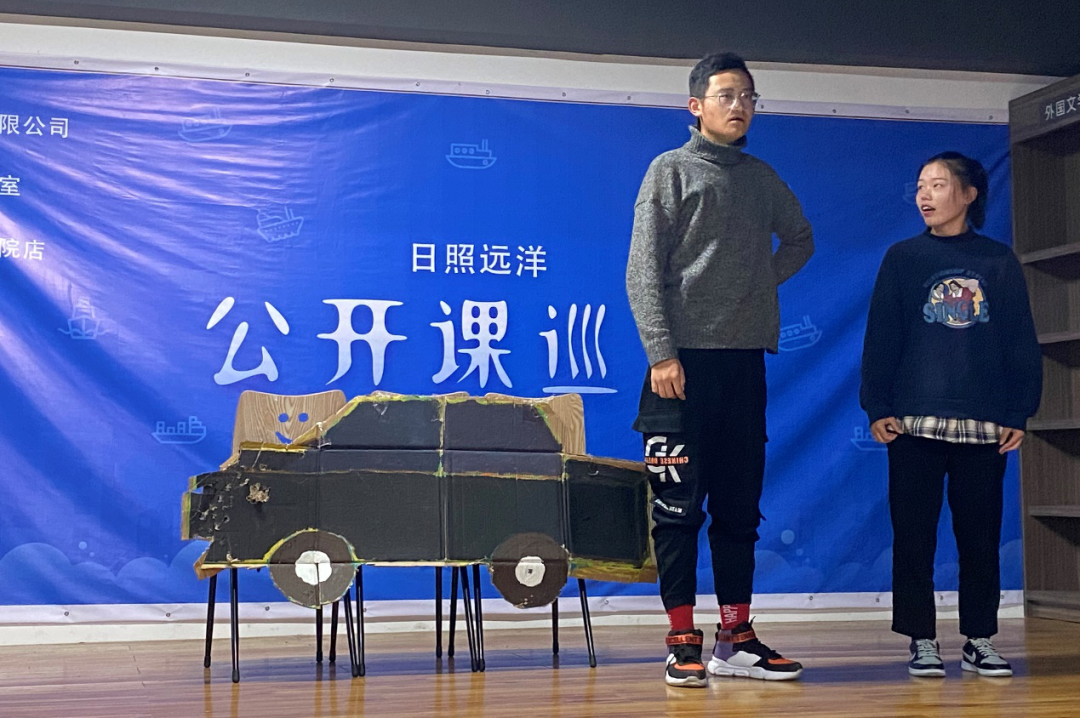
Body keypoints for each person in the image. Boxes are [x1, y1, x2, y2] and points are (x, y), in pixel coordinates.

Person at [626, 51, 814, 687]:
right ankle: (682, 639)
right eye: (727, 95)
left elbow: (801, 239)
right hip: (679, 366)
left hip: (744, 366)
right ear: (696, 105)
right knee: (677, 510)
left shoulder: (761, 178)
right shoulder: (670, 170)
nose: (739, 106)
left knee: (739, 509)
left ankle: (736, 639)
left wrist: (755, 286)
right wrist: (661, 351)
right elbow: (642, 270)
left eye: (748, 97)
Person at [860, 151, 1042, 678]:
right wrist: (878, 405)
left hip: (983, 424)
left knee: (980, 538)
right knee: (913, 536)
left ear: (969, 194)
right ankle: (921, 638)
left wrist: (1019, 410)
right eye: (921, 185)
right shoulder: (903, 257)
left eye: (938, 185)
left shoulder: (998, 261)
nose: (925, 194)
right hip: (914, 423)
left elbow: (1019, 340)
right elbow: (881, 337)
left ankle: (979, 638)